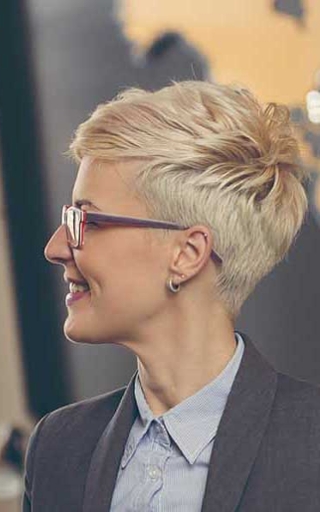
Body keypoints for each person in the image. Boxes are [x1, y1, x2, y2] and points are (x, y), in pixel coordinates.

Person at [23, 81, 320, 511]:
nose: (55, 248)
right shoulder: (58, 448)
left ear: (187, 254)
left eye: (86, 221)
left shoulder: (310, 442)